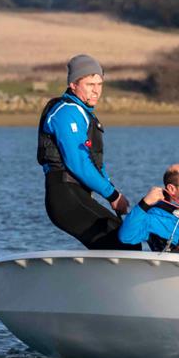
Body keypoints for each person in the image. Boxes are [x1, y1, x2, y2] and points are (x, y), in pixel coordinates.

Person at [37, 54, 136, 250]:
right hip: (64, 196)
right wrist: (112, 195)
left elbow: (95, 165)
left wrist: (113, 194)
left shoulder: (83, 113)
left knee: (127, 237)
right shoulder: (66, 113)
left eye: (99, 84)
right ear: (73, 84)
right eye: (90, 84)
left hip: (78, 195)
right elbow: (78, 163)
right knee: (122, 240)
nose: (96, 90)